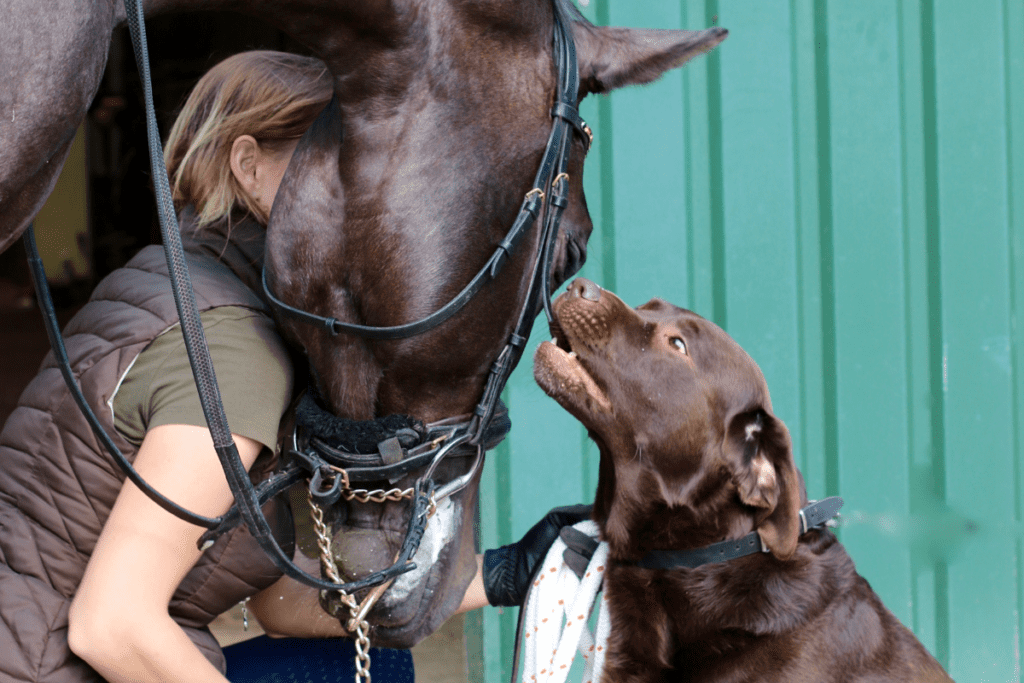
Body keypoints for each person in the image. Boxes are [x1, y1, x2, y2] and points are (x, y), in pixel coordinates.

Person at [0, 50, 585, 683]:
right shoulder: (229, 349)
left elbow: (280, 602)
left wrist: (505, 574)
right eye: (332, 165)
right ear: (248, 165)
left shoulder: (174, 282)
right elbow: (113, 626)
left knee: (375, 662)